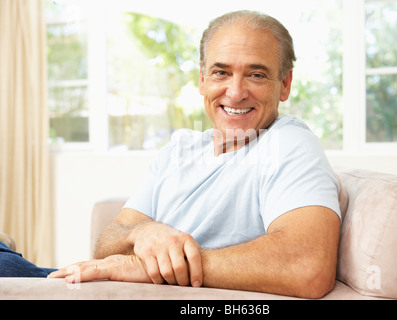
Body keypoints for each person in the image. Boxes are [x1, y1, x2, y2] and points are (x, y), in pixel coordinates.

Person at [5, 10, 341, 299]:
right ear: (202, 80)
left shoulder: (289, 143)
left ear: (284, 84)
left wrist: (154, 267)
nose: (236, 92)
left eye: (256, 74)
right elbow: (107, 244)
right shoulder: (182, 147)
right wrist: (140, 234)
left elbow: (306, 266)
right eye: (221, 72)